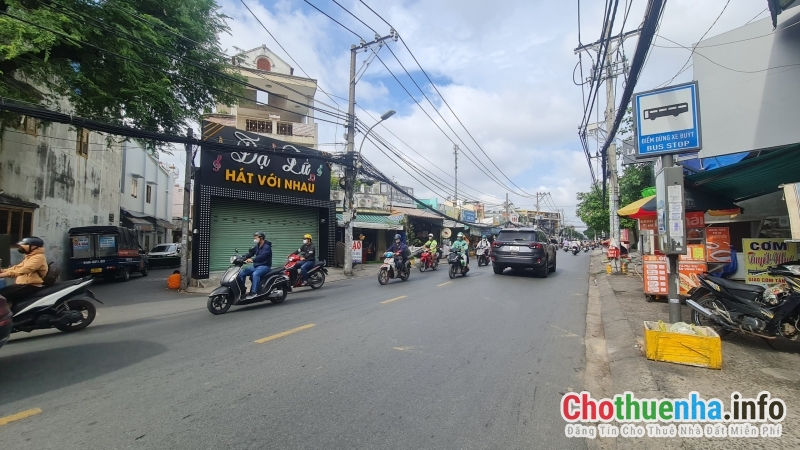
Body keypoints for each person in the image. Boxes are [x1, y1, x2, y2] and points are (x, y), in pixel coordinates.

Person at [0, 237, 48, 308]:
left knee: (1, 296)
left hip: (31, 285)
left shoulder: (39, 258)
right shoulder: (30, 256)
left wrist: (2, 275)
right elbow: (17, 267)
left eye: (23, 245)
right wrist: (2, 271)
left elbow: (22, 270)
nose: (20, 247)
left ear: (33, 247)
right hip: (23, 284)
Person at [238, 232, 272, 299]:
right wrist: (242, 257)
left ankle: (254, 292)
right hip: (256, 265)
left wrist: (252, 260)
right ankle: (242, 290)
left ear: (261, 238)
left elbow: (262, 257)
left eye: (256, 238)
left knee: (255, 274)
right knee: (242, 273)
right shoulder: (257, 246)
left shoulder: (267, 247)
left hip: (265, 266)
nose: (254, 239)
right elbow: (251, 253)